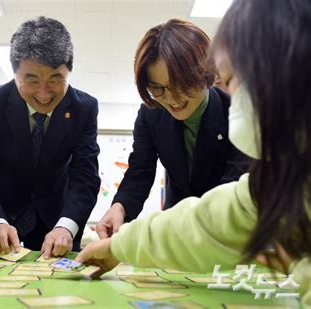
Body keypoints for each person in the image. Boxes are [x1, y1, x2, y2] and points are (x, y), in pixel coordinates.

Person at [77, 0, 310, 306]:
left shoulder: (234, 118)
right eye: (158, 89)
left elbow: (229, 213)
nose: (170, 98)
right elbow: (220, 214)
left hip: (226, 248)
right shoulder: (285, 176)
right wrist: (119, 226)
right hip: (184, 228)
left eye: (231, 82)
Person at [95, 19, 248, 239]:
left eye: (181, 85)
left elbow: (233, 188)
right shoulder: (151, 114)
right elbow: (140, 171)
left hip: (229, 229)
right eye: (157, 89)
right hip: (177, 225)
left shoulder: (237, 113)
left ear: (205, 73)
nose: (172, 99)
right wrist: (119, 208)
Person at [0, 16, 100, 257]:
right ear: (15, 72)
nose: (44, 93)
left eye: (56, 79)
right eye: (32, 80)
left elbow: (84, 177)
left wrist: (66, 226)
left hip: (56, 227)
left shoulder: (84, 108)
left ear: (69, 72)